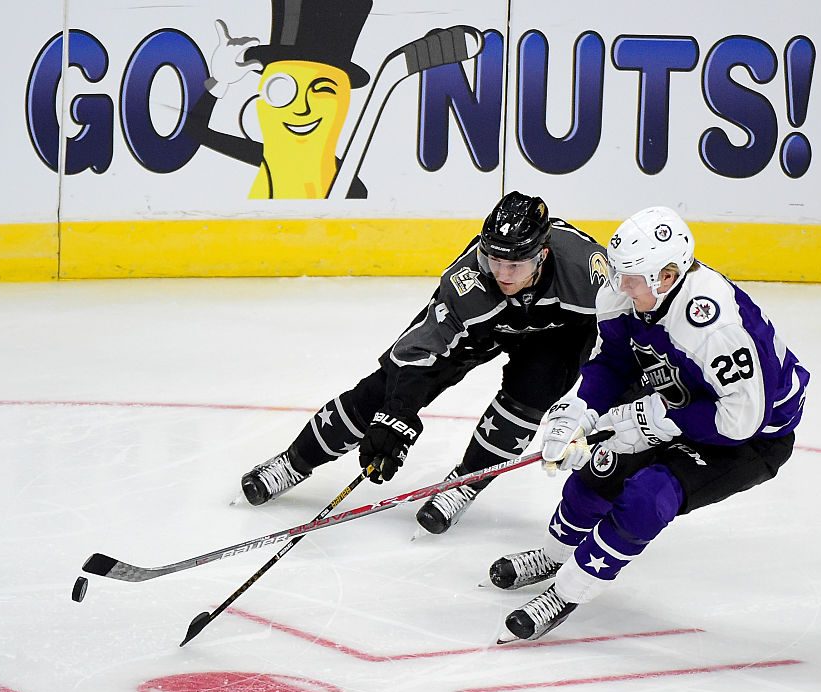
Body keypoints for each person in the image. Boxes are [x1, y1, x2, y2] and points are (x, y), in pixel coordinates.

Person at [489, 206, 809, 643]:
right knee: (600, 464)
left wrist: (656, 420)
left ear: (668, 275)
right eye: (619, 273)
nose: (620, 285)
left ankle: (566, 592)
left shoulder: (714, 326)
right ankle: (552, 555)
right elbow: (613, 361)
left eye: (632, 278)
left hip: (750, 434)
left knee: (647, 496)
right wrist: (579, 410)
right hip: (676, 394)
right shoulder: (626, 291)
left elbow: (739, 421)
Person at [240, 191, 611, 535]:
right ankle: (293, 462)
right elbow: (416, 352)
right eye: (494, 260)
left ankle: (463, 485)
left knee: (527, 400)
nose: (502, 274)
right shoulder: (468, 284)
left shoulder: (587, 273)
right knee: (380, 392)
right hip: (486, 327)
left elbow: (622, 342)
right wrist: (397, 413)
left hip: (559, 334)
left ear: (542, 256)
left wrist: (595, 411)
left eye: (514, 265)